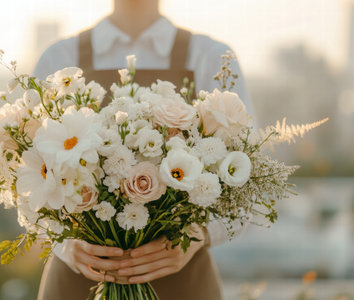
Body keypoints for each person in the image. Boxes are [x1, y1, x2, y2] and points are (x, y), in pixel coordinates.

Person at [33, 1, 254, 299]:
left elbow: (246, 182)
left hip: (182, 282)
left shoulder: (212, 58)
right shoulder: (59, 59)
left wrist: (197, 234)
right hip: (77, 280)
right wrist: (65, 245)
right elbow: (29, 177)